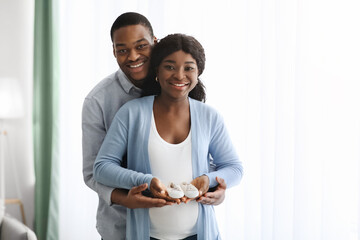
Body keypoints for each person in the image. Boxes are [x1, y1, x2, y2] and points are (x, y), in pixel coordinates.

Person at [82, 12, 227, 240]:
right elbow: (94, 171)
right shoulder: (101, 101)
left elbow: (197, 157)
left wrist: (213, 186)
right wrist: (126, 197)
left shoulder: (180, 86)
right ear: (114, 52)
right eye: (122, 50)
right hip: (121, 226)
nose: (132, 56)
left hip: (191, 227)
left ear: (155, 43)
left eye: (141, 46)